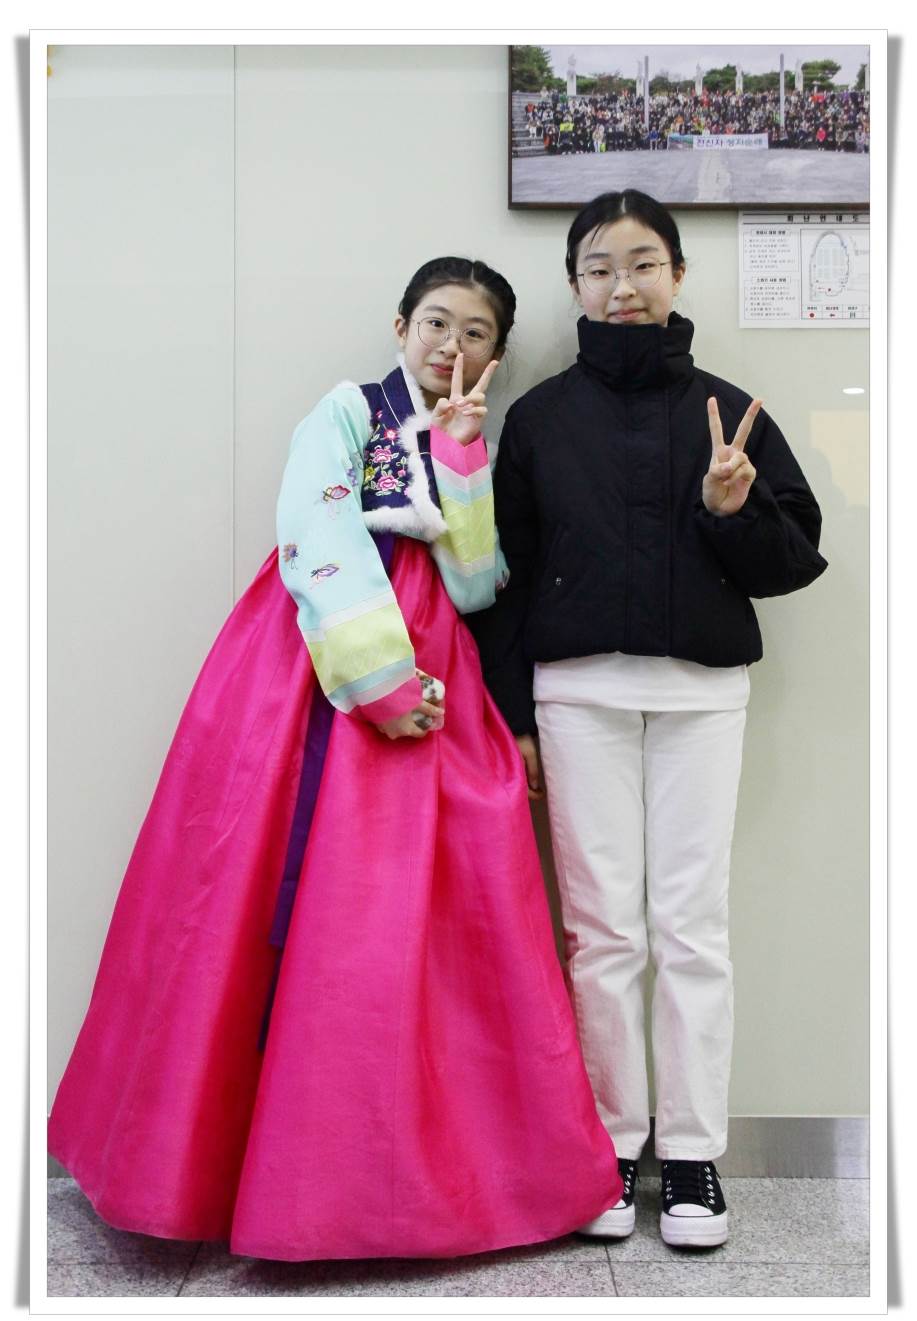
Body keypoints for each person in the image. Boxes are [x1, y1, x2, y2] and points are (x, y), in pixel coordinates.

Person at [48, 256, 623, 1262]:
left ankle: (429, 1174)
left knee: (427, 909)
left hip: (437, 660)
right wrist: (378, 682)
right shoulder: (347, 411)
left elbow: (476, 583)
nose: (451, 346)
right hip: (321, 665)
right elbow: (315, 532)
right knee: (293, 893)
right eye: (436, 323)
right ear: (401, 325)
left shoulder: (463, 435)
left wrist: (459, 457)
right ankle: (250, 1175)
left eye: (476, 333)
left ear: (496, 351)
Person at [467, 192, 827, 1249]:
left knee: (689, 926)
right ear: (573, 285)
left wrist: (730, 509)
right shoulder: (540, 417)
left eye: (641, 264)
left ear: (676, 274)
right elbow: (504, 575)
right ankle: (611, 1147)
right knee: (601, 932)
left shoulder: (730, 410)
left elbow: (792, 562)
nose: (620, 287)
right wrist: (511, 714)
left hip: (699, 695)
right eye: (598, 267)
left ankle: (694, 1154)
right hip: (573, 695)